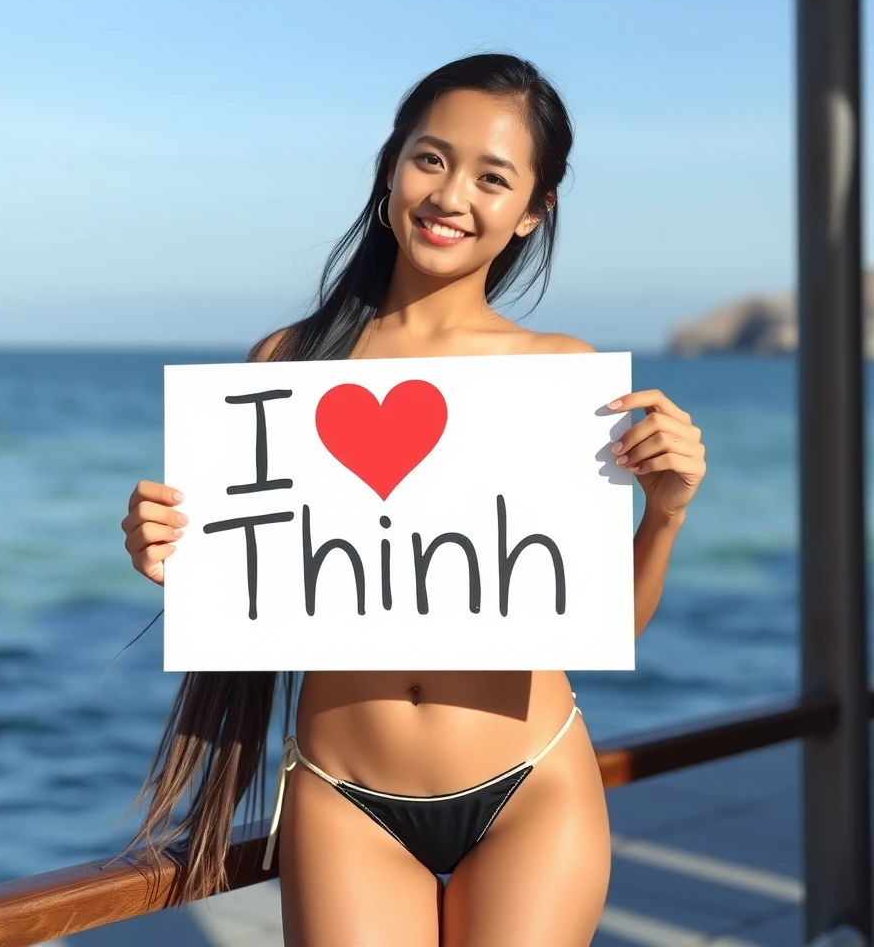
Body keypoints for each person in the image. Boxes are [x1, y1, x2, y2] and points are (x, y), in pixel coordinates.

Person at [116, 52, 707, 946]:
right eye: (431, 158)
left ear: (531, 212)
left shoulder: (559, 375)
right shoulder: (288, 365)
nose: (451, 195)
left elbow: (607, 627)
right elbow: (266, 580)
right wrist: (171, 556)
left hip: (529, 785)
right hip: (344, 794)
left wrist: (665, 512)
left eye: (492, 177)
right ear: (392, 164)